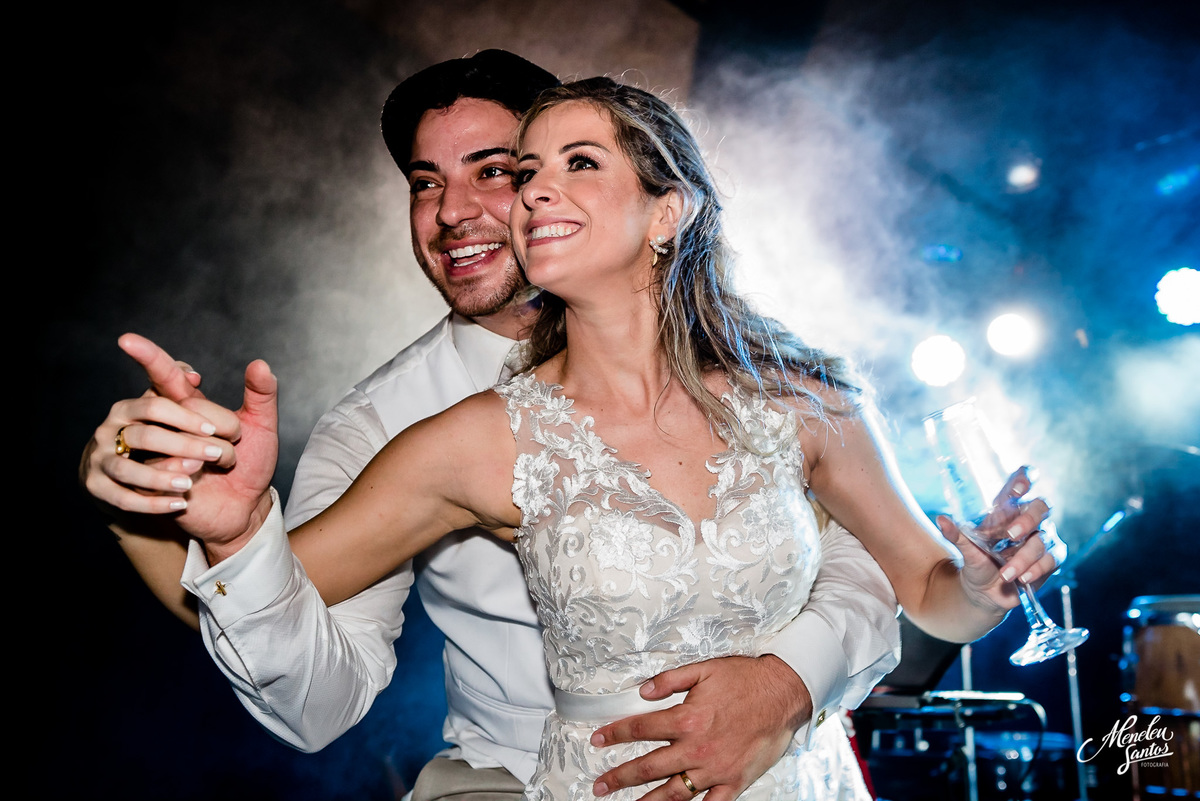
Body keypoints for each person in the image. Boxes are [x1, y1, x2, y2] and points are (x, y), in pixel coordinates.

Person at [103, 76, 1063, 800]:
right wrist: (228, 531)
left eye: (562, 165)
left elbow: (917, 587)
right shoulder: (458, 436)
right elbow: (284, 611)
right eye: (525, 175)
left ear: (666, 211)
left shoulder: (800, 396)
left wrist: (973, 591)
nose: (516, 199)